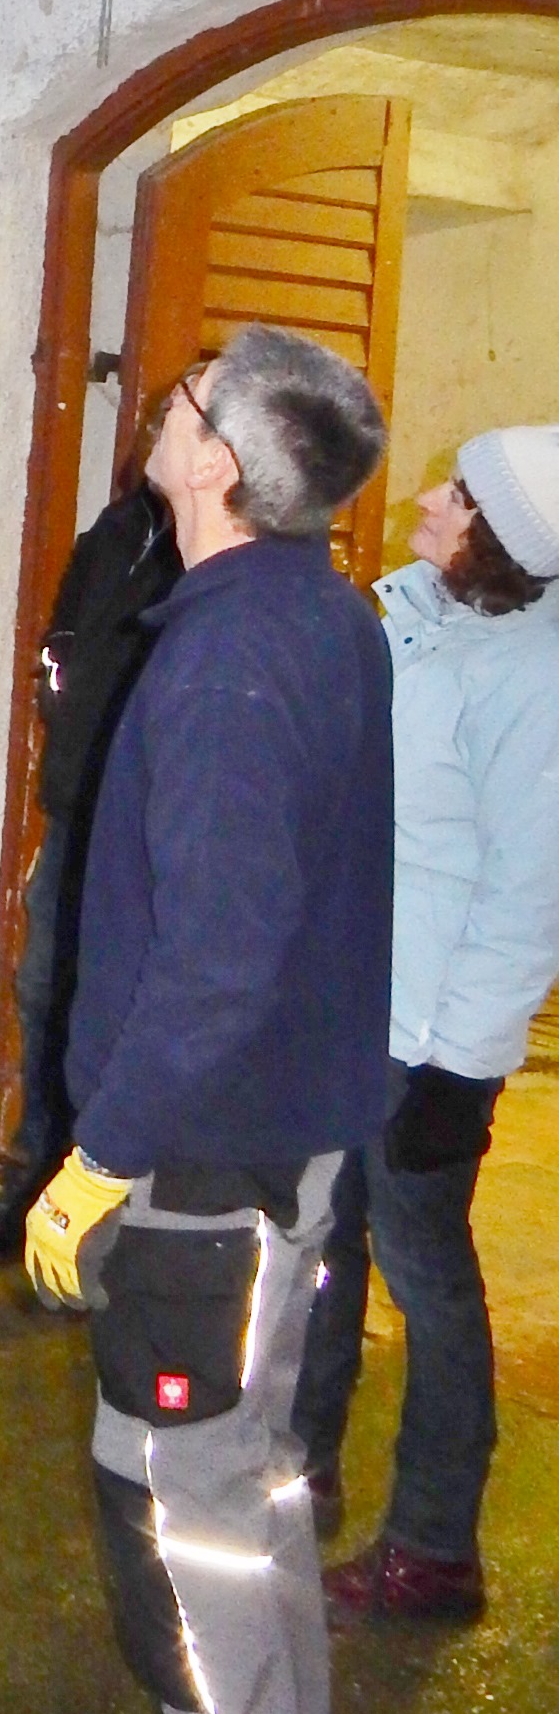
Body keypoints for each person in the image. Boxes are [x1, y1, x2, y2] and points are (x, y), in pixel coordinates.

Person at [14, 326, 390, 1714]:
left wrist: (100, 1156)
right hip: (274, 1141)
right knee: (253, 1487)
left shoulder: (236, 663)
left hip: (207, 1165)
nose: (159, 409)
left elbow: (219, 957)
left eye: (181, 403)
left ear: (219, 465)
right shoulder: (312, 613)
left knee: (182, 1508)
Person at [292, 426, 559, 1623]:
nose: (430, 498)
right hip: (359, 998)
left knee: (429, 1280)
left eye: (457, 493)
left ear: (495, 538)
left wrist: (459, 1070)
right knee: (322, 1240)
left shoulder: (534, 683)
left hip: (428, 1040)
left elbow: (528, 899)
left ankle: (435, 1548)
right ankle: (299, 1467)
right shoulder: (424, 620)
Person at [0, 422, 179, 1261]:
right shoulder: (116, 532)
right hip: (78, 807)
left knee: (109, 1012)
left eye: (178, 424)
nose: (154, 438)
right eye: (156, 422)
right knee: (44, 993)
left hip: (138, 825)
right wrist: (58, 697)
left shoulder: (207, 562)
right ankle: (32, 1192)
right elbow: (66, 639)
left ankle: (94, 1218)